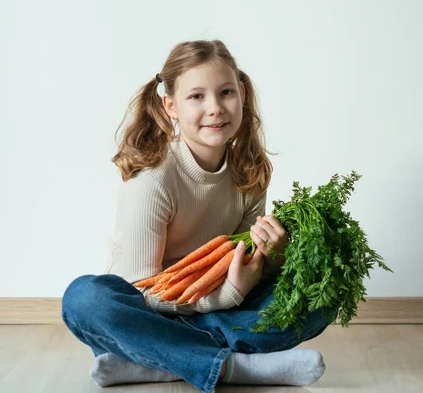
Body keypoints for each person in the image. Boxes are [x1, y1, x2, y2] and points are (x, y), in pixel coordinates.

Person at [61, 39, 336, 393]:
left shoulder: (249, 172)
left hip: (209, 311)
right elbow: (139, 291)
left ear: (242, 95)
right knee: (85, 300)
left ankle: (156, 362)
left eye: (225, 93)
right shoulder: (154, 179)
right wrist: (225, 297)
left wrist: (274, 255)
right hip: (150, 312)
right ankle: (232, 367)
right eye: (196, 97)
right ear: (170, 106)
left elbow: (245, 268)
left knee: (320, 295)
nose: (216, 108)